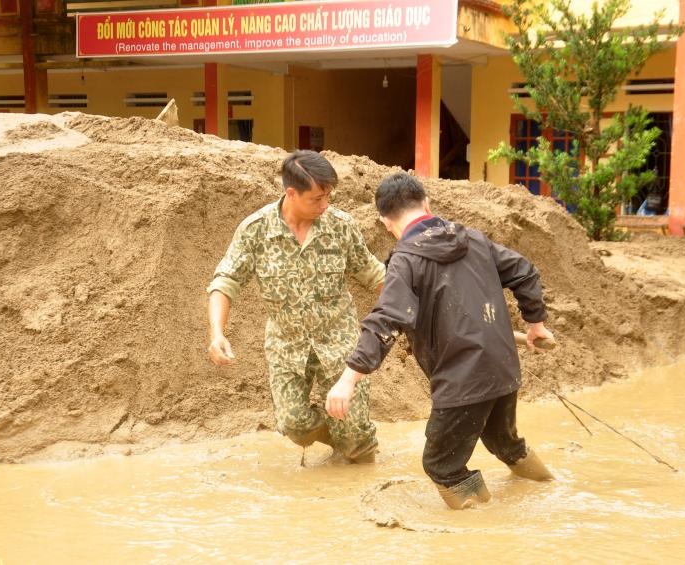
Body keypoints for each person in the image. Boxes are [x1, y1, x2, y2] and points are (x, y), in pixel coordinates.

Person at [324, 172, 556, 510]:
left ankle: (487, 535)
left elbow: (386, 320)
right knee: (504, 441)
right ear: (427, 205)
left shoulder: (406, 260)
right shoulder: (474, 239)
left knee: (441, 465)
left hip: (463, 379)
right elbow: (524, 271)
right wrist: (535, 325)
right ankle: (548, 489)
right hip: (504, 369)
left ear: (386, 222)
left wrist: (348, 380)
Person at [206, 150, 386, 463]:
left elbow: (373, 273)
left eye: (329, 196)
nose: (325, 205)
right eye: (317, 198)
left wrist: (412, 308)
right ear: (292, 193)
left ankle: (354, 446)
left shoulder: (341, 226)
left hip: (340, 344)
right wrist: (217, 334)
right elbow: (225, 281)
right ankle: (340, 440)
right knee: (294, 424)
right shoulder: (256, 230)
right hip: (287, 346)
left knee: (356, 435)